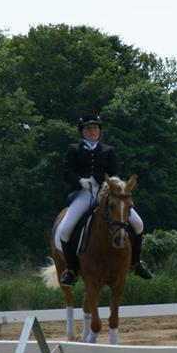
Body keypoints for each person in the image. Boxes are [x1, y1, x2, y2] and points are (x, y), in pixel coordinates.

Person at [54, 115, 153, 285]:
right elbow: (66, 172)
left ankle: (136, 263)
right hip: (83, 193)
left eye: (95, 128)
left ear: (99, 130)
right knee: (66, 228)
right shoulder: (74, 149)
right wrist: (79, 181)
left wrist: (114, 183)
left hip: (106, 192)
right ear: (82, 132)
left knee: (138, 223)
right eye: (88, 129)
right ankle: (70, 269)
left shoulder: (108, 150)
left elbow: (114, 171)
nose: (92, 131)